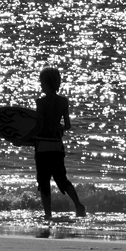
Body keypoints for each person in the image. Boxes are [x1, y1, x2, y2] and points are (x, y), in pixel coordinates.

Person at [29, 67, 86, 219]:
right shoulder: (63, 101)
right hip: (57, 146)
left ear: (47, 84)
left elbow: (39, 126)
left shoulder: (40, 102)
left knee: (44, 180)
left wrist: (21, 138)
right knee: (61, 178)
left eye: (42, 83)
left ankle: (48, 214)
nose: (41, 86)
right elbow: (67, 125)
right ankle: (78, 205)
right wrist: (58, 126)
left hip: (42, 147)